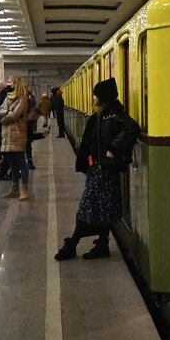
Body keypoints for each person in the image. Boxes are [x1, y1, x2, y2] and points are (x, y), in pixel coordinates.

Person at [55, 78, 138, 261]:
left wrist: (113, 150)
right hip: (98, 168)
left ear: (103, 98)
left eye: (96, 95)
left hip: (104, 170)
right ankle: (102, 244)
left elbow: (132, 127)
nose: (93, 99)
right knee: (103, 209)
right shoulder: (103, 114)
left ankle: (72, 245)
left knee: (87, 208)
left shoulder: (115, 115)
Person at [0, 75, 31, 201]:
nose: (8, 84)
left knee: (21, 163)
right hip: (7, 136)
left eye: (10, 82)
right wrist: (6, 113)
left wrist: (3, 119)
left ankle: (24, 190)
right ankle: (14, 189)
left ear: (16, 84)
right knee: (13, 164)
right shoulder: (7, 98)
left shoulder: (22, 99)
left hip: (17, 134)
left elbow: (15, 115)